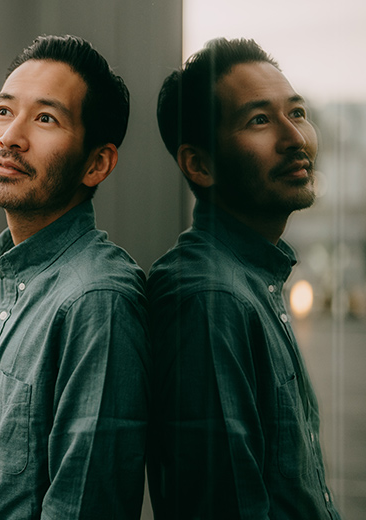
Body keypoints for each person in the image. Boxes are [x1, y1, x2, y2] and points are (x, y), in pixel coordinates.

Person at [0, 35, 150, 520]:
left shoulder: (98, 299)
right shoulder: (7, 269)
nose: (10, 137)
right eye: (3, 111)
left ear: (97, 163)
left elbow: (87, 504)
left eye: (45, 118)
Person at [147, 38, 342, 519]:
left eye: (296, 113)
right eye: (259, 120)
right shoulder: (210, 299)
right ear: (200, 164)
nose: (294, 138)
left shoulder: (252, 280)